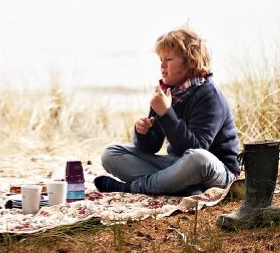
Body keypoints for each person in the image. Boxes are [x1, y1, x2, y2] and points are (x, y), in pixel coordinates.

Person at [94, 27, 239, 196]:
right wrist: (143, 132)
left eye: (168, 59)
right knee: (110, 154)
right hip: (176, 166)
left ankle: (131, 188)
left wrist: (166, 113)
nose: (162, 66)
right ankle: (180, 185)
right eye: (161, 59)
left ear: (191, 62)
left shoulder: (209, 94)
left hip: (216, 171)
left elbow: (196, 147)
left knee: (197, 158)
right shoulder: (168, 92)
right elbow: (151, 147)